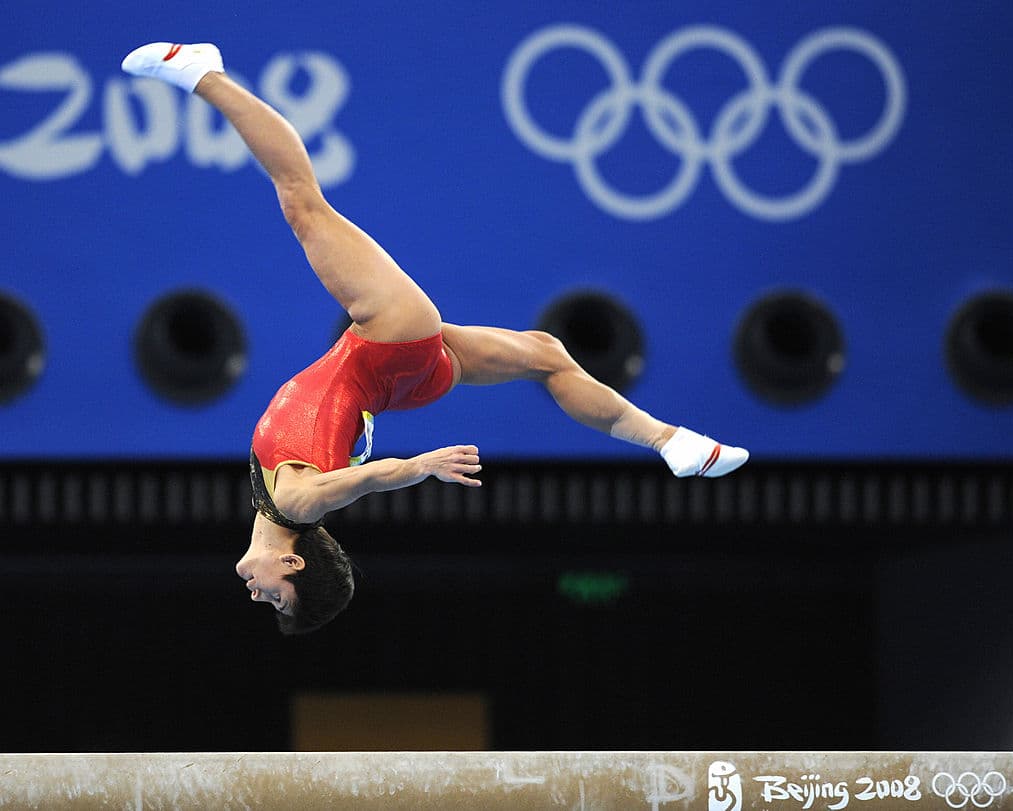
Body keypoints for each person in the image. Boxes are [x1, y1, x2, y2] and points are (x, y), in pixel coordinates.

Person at [121, 42, 749, 634]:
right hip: (390, 345)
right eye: (276, 598)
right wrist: (419, 468)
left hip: (403, 382)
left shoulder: (273, 505)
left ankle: (673, 441)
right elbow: (360, 482)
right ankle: (204, 74)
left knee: (548, 357)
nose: (257, 596)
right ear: (294, 566)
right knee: (302, 203)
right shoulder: (299, 505)